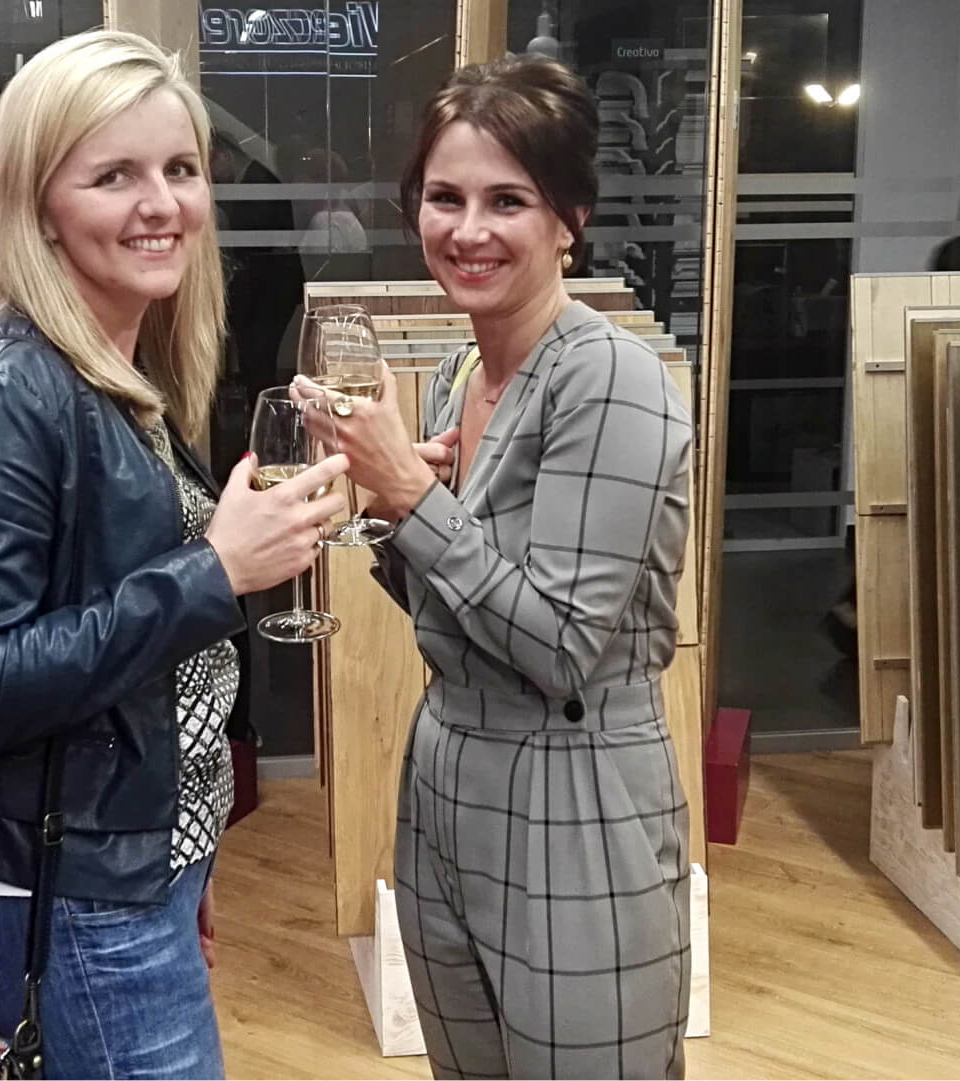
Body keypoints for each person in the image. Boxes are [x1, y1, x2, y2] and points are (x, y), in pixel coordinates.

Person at [0, 30, 347, 1080]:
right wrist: (214, 573)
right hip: (60, 900)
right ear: (39, 205)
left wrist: (183, 845)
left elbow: (141, 678)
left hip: (119, 874)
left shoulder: (113, 373)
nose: (161, 204)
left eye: (180, 169)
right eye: (114, 176)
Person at [304, 54, 695, 1079]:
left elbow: (560, 646)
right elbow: (453, 610)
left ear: (570, 219)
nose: (468, 229)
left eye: (507, 200)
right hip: (446, 773)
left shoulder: (610, 378)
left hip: (576, 784)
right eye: (445, 198)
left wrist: (412, 494)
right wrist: (387, 507)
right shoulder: (458, 375)